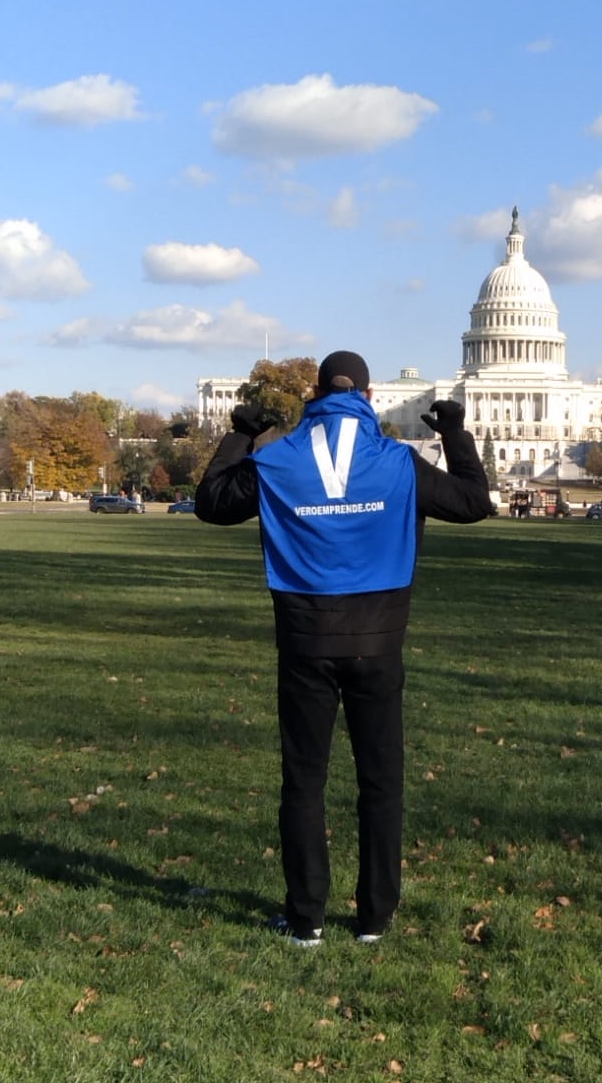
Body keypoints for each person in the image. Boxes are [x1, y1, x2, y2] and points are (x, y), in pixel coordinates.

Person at [195, 351, 492, 948]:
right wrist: (456, 435)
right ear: (371, 393)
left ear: (313, 392)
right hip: (378, 640)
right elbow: (472, 502)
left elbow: (211, 502)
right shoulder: (398, 463)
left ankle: (307, 918)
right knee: (380, 781)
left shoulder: (278, 460)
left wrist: (242, 436)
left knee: (304, 782)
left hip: (305, 638)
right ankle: (375, 918)